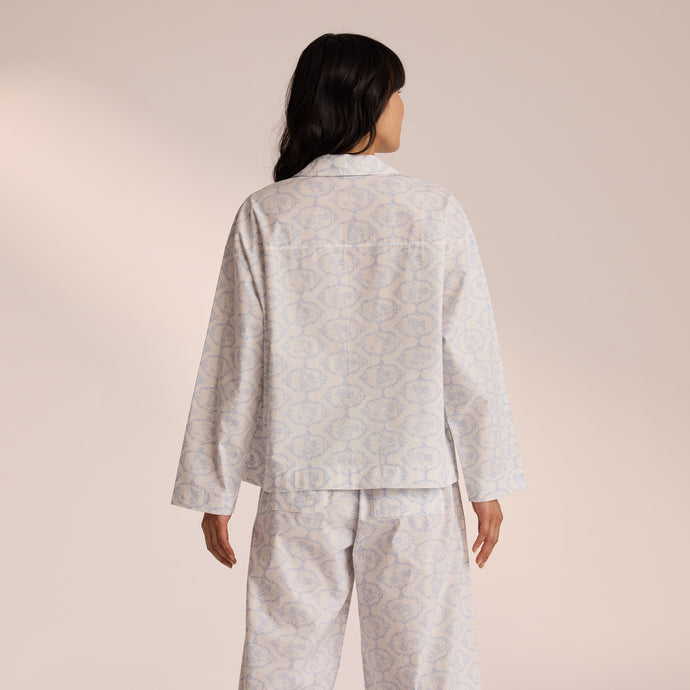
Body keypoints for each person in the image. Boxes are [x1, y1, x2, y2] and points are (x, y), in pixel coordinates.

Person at [170, 32, 527, 690]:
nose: (402, 107)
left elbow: (234, 360)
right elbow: (469, 357)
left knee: (283, 666)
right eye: (395, 93)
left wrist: (214, 489)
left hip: (301, 482)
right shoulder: (433, 211)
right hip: (413, 481)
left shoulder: (267, 215)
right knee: (425, 671)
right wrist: (486, 479)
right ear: (363, 101)